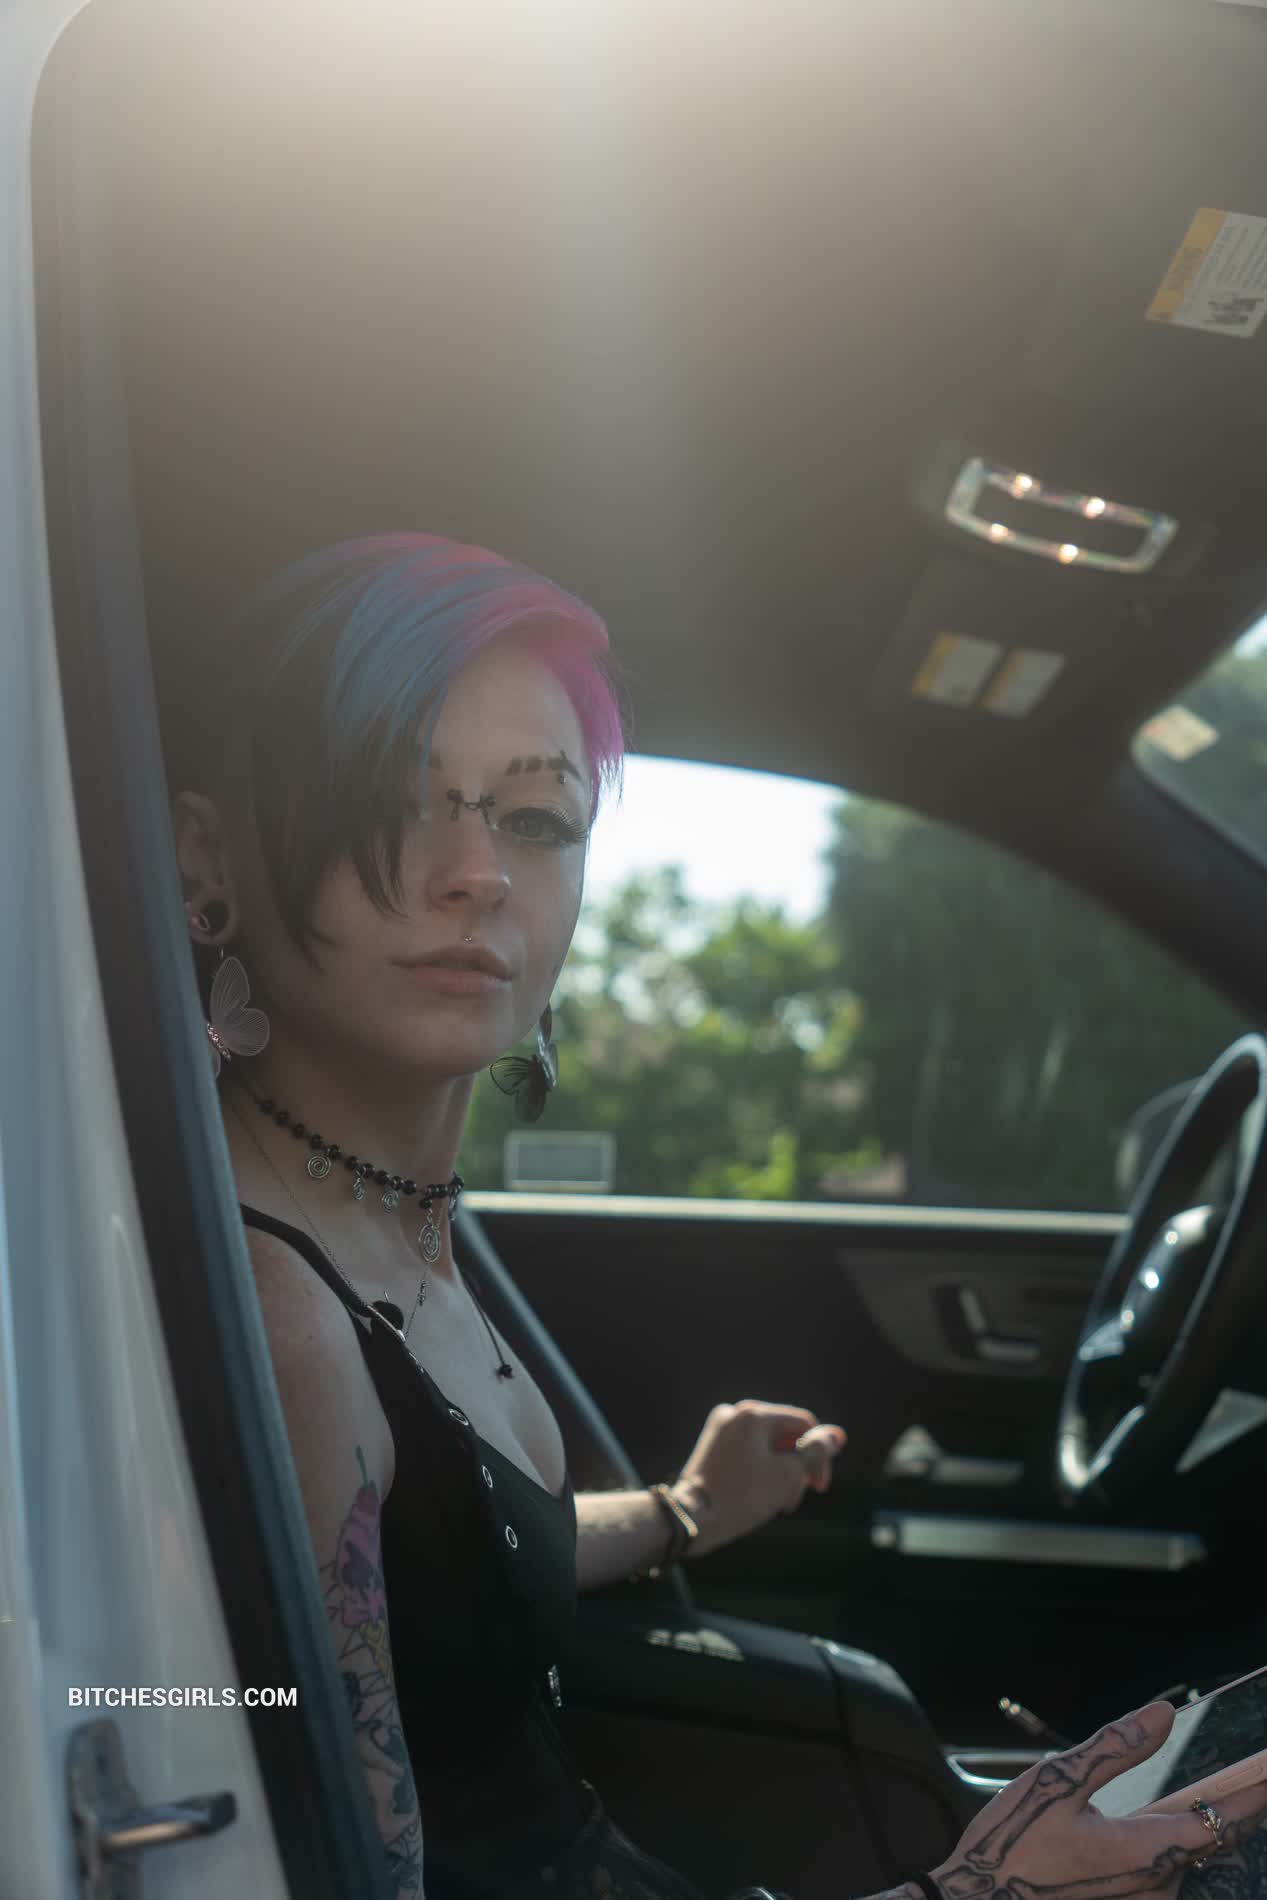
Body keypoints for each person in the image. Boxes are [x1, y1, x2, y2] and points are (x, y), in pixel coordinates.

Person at [165, 533, 1267, 1900]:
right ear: (205, 858)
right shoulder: (282, 1310)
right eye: (384, 798)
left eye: (536, 818)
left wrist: (681, 1514)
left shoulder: (382, 1214)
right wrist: (972, 1892)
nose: (474, 870)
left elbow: (439, 1573)